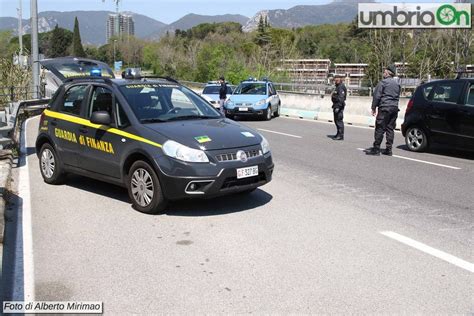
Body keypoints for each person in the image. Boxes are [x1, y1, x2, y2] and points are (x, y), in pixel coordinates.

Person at [365, 64, 401, 156]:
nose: (383, 73)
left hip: (385, 108)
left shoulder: (383, 83)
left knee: (380, 128)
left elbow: (376, 96)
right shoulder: (397, 84)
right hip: (394, 108)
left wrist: (373, 107)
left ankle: (376, 149)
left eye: (384, 71)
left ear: (388, 73)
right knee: (390, 128)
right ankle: (389, 149)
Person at [331, 75, 347, 140]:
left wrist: (338, 107)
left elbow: (341, 98)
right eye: (335, 79)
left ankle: (340, 135)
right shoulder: (337, 86)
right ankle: (338, 133)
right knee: (336, 120)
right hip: (336, 105)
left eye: (337, 79)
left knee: (339, 121)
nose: (336, 80)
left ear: (340, 79)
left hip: (339, 106)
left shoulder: (341, 87)